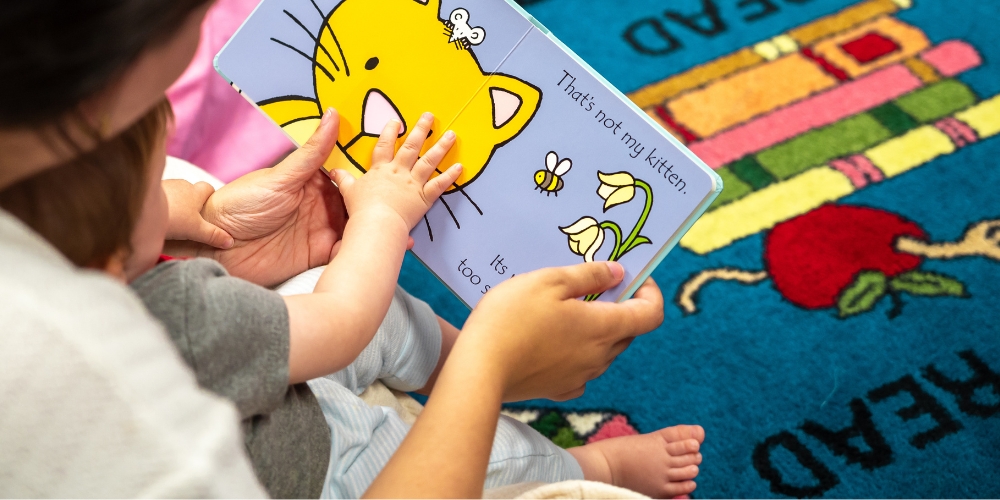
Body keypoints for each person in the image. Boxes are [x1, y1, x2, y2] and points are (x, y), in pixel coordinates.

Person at [0, 0, 674, 496]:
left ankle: (459, 369)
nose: (179, 185)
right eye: (159, 183)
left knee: (367, 302)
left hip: (257, 394)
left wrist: (199, 215)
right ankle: (594, 467)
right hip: (334, 469)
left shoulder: (91, 268)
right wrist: (483, 354)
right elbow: (341, 327)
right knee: (496, 460)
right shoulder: (163, 326)